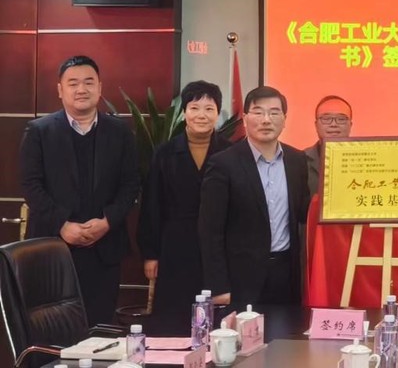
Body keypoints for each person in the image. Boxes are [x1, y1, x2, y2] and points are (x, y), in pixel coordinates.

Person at [19, 55, 139, 326]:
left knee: (99, 326)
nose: (81, 89)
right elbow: (30, 185)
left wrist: (107, 222)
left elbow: (131, 184)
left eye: (88, 82)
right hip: (53, 247)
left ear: (100, 87)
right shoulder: (39, 131)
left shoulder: (120, 132)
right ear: (60, 90)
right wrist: (62, 225)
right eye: (73, 83)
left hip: (104, 248)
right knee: (54, 327)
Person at [198, 86, 310, 305]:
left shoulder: (297, 160)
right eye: (258, 112)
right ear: (245, 117)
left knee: (286, 327)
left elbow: (303, 211)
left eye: (274, 113)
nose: (266, 120)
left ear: (284, 119)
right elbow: (210, 231)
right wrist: (218, 286)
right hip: (240, 278)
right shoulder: (223, 163)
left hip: (285, 273)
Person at [137, 81, 231, 316]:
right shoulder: (164, 153)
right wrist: (151, 254)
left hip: (219, 250)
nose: (201, 115)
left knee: (216, 319)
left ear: (217, 113)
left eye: (209, 109)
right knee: (174, 315)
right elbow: (152, 205)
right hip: (175, 246)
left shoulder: (231, 153)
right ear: (184, 112)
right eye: (194, 108)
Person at [305, 95, 353, 195]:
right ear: (316, 125)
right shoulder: (300, 161)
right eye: (326, 119)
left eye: (341, 119)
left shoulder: (364, 160)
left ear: (350, 125)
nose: (333, 124)